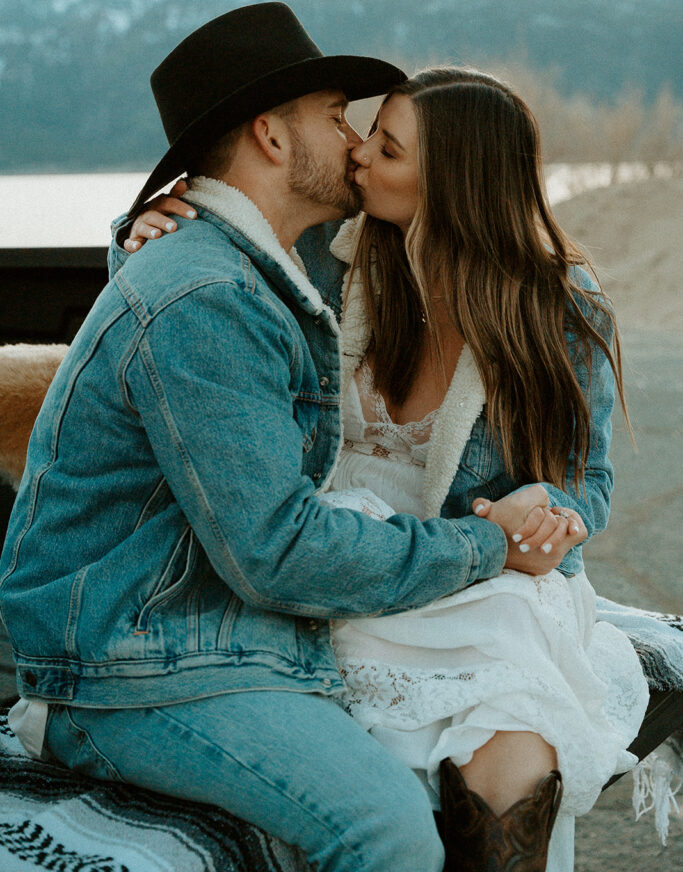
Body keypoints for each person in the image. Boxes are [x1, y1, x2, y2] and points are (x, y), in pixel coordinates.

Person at [0, 5, 568, 872]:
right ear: (270, 135)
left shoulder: (249, 270)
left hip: (205, 636)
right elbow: (277, 550)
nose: (352, 141)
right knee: (386, 829)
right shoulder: (207, 293)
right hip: (134, 665)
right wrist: (483, 545)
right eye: (335, 115)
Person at [127, 66, 649, 870]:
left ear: (454, 186)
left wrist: (553, 519)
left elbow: (588, 487)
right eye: (366, 132)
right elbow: (187, 329)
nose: (358, 157)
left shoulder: (560, 304)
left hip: (476, 569)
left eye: (388, 148)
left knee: (513, 698)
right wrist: (141, 232)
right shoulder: (321, 257)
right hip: (330, 560)